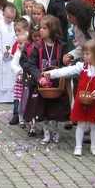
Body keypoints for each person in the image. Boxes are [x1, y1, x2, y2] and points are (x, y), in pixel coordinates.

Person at [44, 39, 95, 157]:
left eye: (87, 54)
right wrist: (52, 73)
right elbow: (68, 70)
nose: (84, 56)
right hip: (82, 100)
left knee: (94, 125)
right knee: (80, 123)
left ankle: (94, 146)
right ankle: (78, 146)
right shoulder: (82, 67)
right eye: (83, 53)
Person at [24, 15, 70, 148]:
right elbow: (31, 64)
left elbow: (64, 63)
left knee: (55, 109)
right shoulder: (37, 46)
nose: (41, 30)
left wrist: (67, 62)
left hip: (56, 83)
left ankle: (55, 131)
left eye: (44, 28)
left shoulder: (61, 46)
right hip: (41, 83)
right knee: (43, 110)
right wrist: (39, 78)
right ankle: (46, 133)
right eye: (41, 28)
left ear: (53, 29)